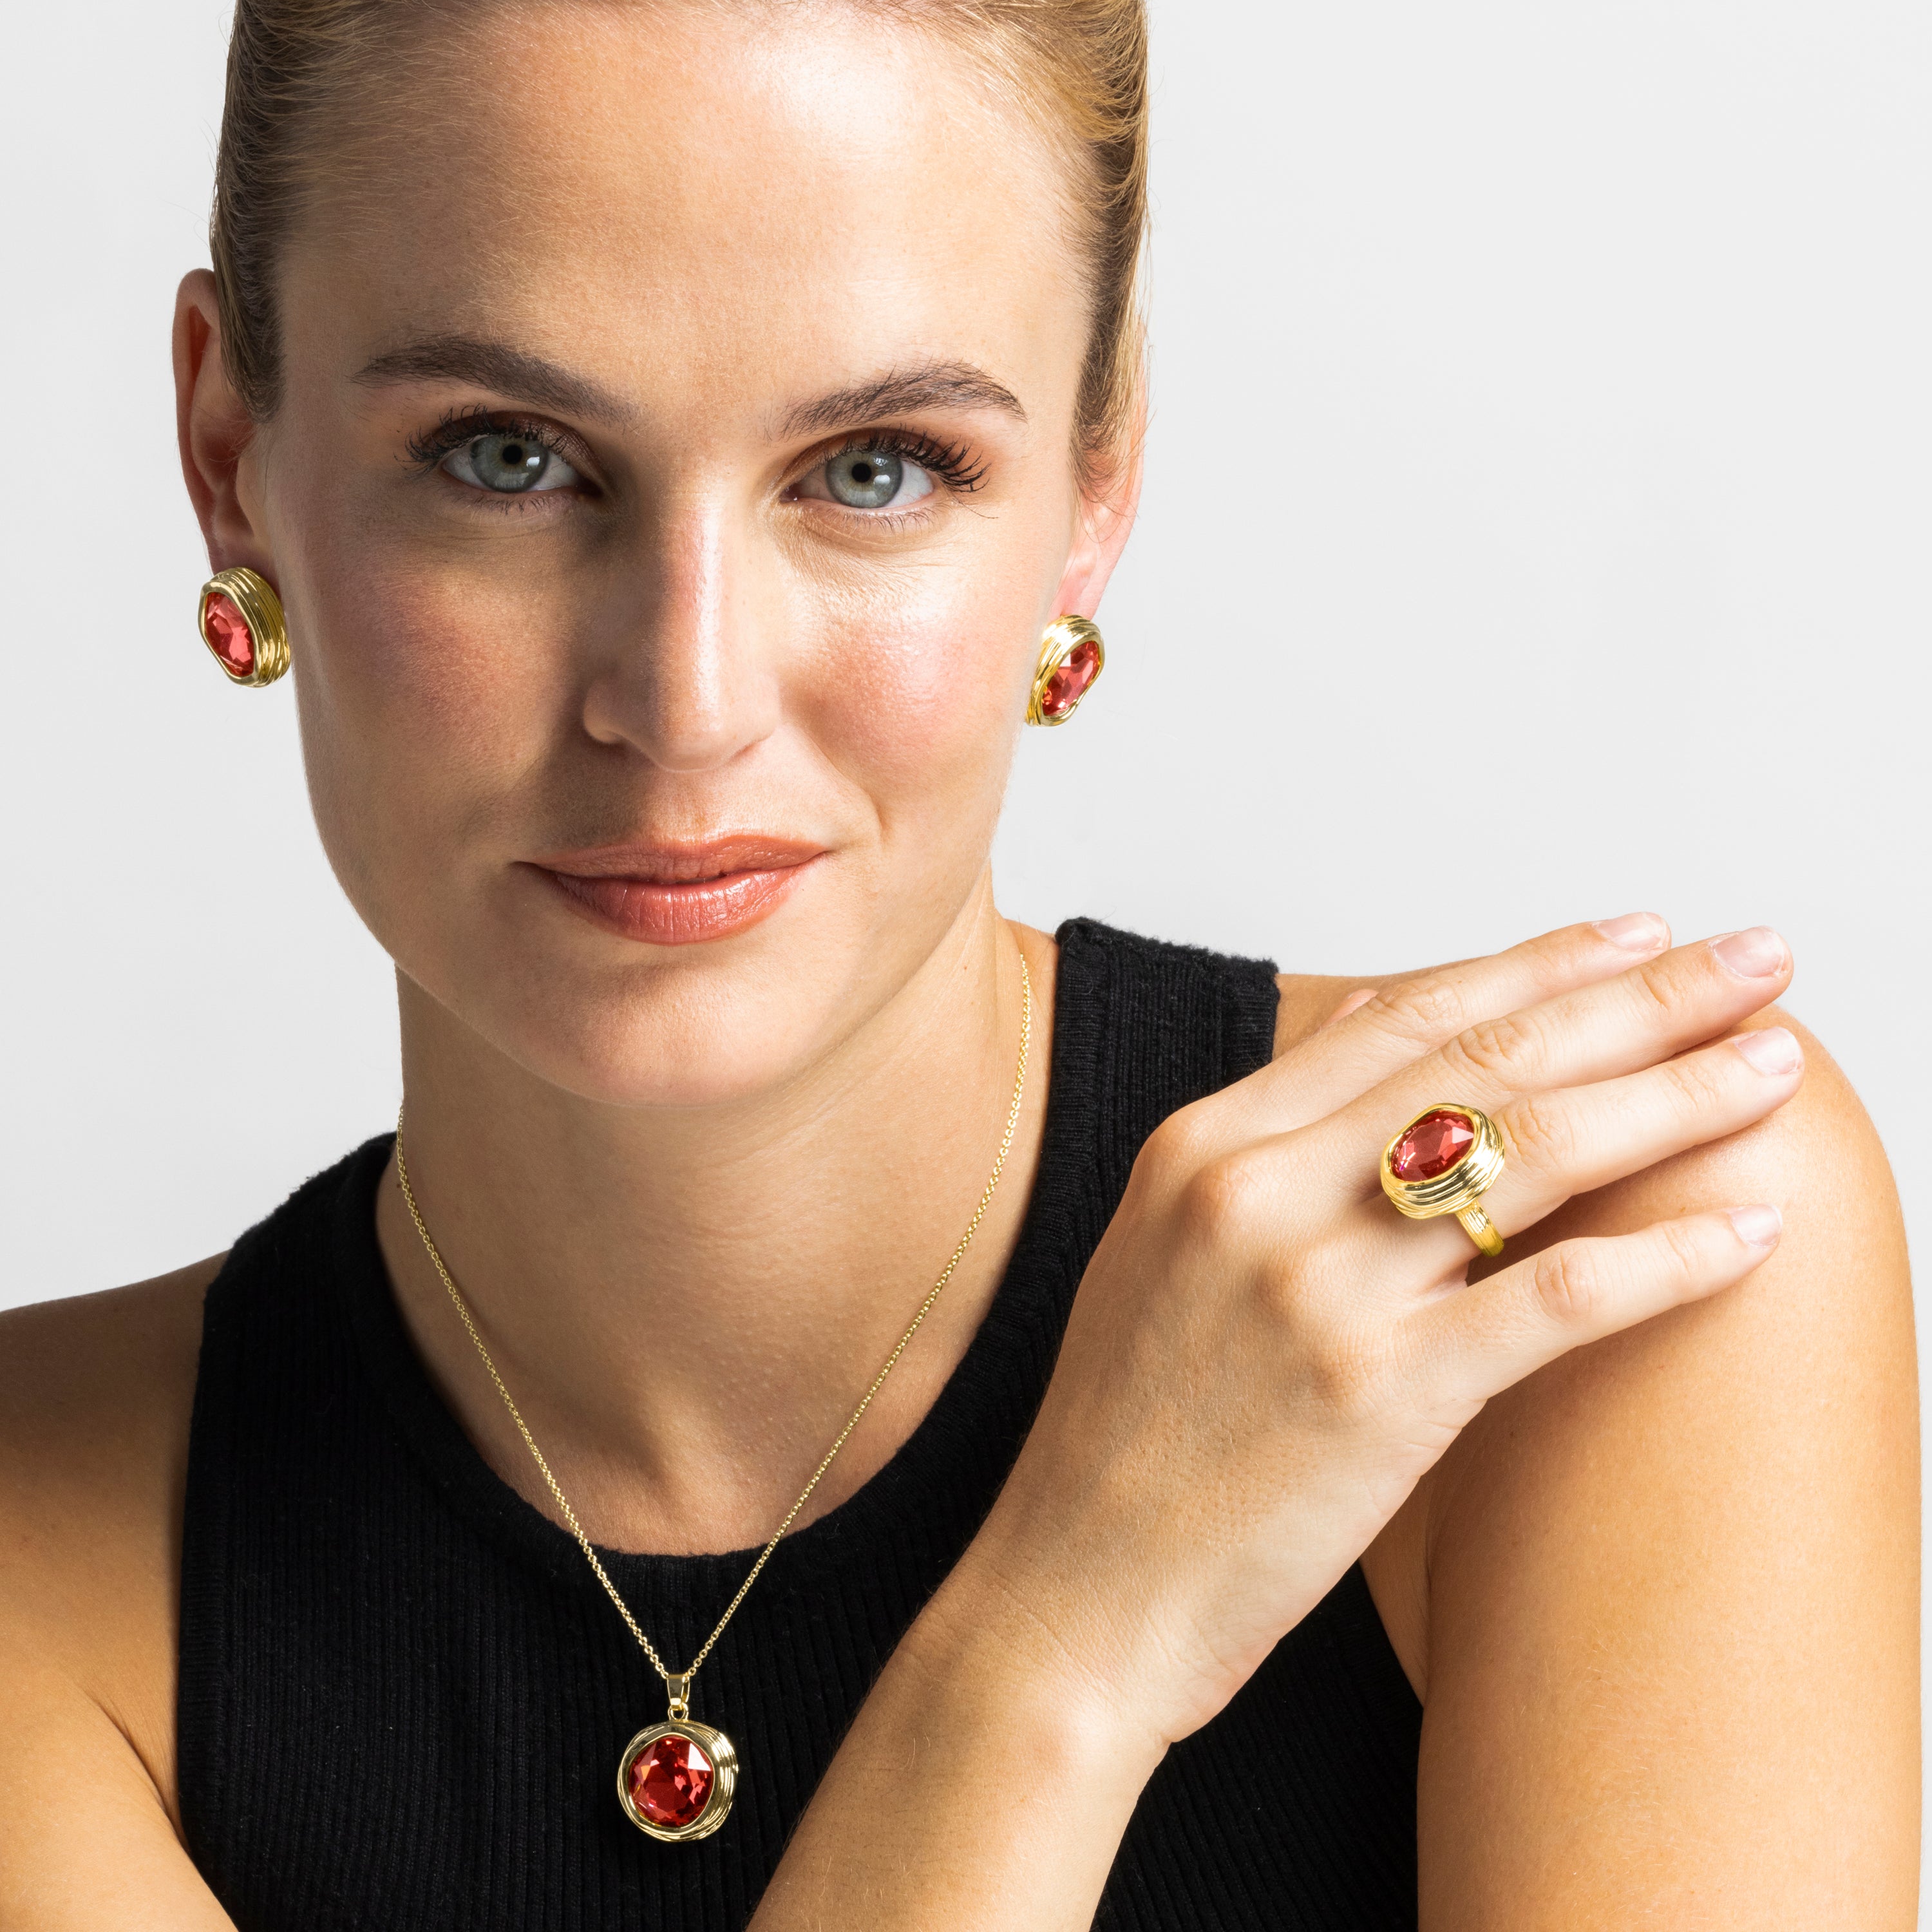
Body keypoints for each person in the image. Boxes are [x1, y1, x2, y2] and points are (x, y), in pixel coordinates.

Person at [0, 1, 1916, 1926]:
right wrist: (1065, 1643)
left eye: (875, 470)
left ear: (1098, 482)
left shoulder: (1574, 1258)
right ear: (230, 456)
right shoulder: (32, 1561)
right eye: (508, 458)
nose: (687, 702)